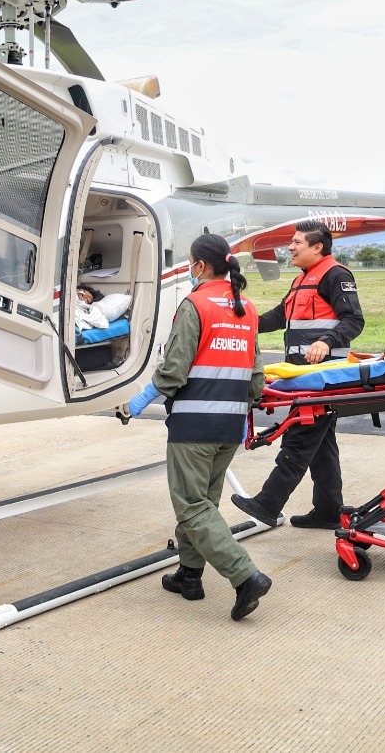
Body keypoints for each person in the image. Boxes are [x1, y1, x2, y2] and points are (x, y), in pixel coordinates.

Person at [125, 234, 273, 620]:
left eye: (190, 263)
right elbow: (256, 377)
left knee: (191, 505)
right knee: (203, 503)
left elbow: (174, 370)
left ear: (201, 266)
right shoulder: (247, 308)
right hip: (229, 427)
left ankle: (245, 576)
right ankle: (189, 576)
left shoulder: (196, 304)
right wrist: (244, 412)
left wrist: (140, 399)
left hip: (193, 424)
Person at [230, 220, 364, 529]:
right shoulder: (302, 279)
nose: (290, 247)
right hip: (303, 376)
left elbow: (354, 320)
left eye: (297, 242)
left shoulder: (336, 276)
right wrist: (245, 323)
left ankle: (267, 503)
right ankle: (329, 511)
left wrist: (325, 341)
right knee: (321, 447)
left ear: (317, 247)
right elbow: (281, 315)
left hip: (322, 377)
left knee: (298, 440)